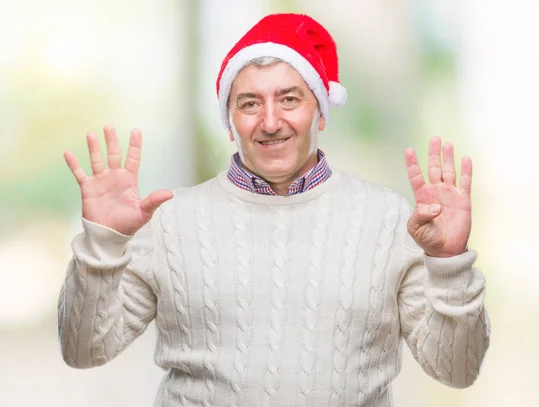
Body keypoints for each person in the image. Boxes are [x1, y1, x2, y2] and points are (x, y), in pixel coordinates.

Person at [58, 13, 490, 407]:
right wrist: (102, 244)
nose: (269, 121)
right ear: (229, 120)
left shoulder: (390, 221)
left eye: (289, 99)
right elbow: (83, 351)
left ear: (320, 112)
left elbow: (456, 371)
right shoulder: (170, 221)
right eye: (249, 103)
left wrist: (449, 263)